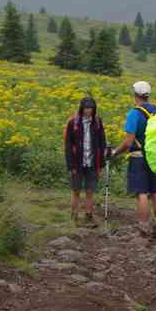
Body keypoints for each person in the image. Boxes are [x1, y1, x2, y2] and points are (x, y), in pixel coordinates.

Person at [108, 81, 156, 237]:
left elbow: (128, 142)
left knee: (142, 193)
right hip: (154, 156)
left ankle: (144, 227)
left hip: (139, 157)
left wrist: (115, 152)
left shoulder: (134, 113)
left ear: (135, 95)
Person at [64, 96, 107, 227]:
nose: (88, 110)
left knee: (90, 191)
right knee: (76, 190)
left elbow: (102, 144)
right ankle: (74, 216)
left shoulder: (97, 122)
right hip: (77, 163)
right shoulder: (73, 123)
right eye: (86, 108)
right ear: (81, 108)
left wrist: (101, 165)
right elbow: (68, 146)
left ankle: (89, 216)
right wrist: (70, 166)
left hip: (92, 162)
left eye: (91, 108)